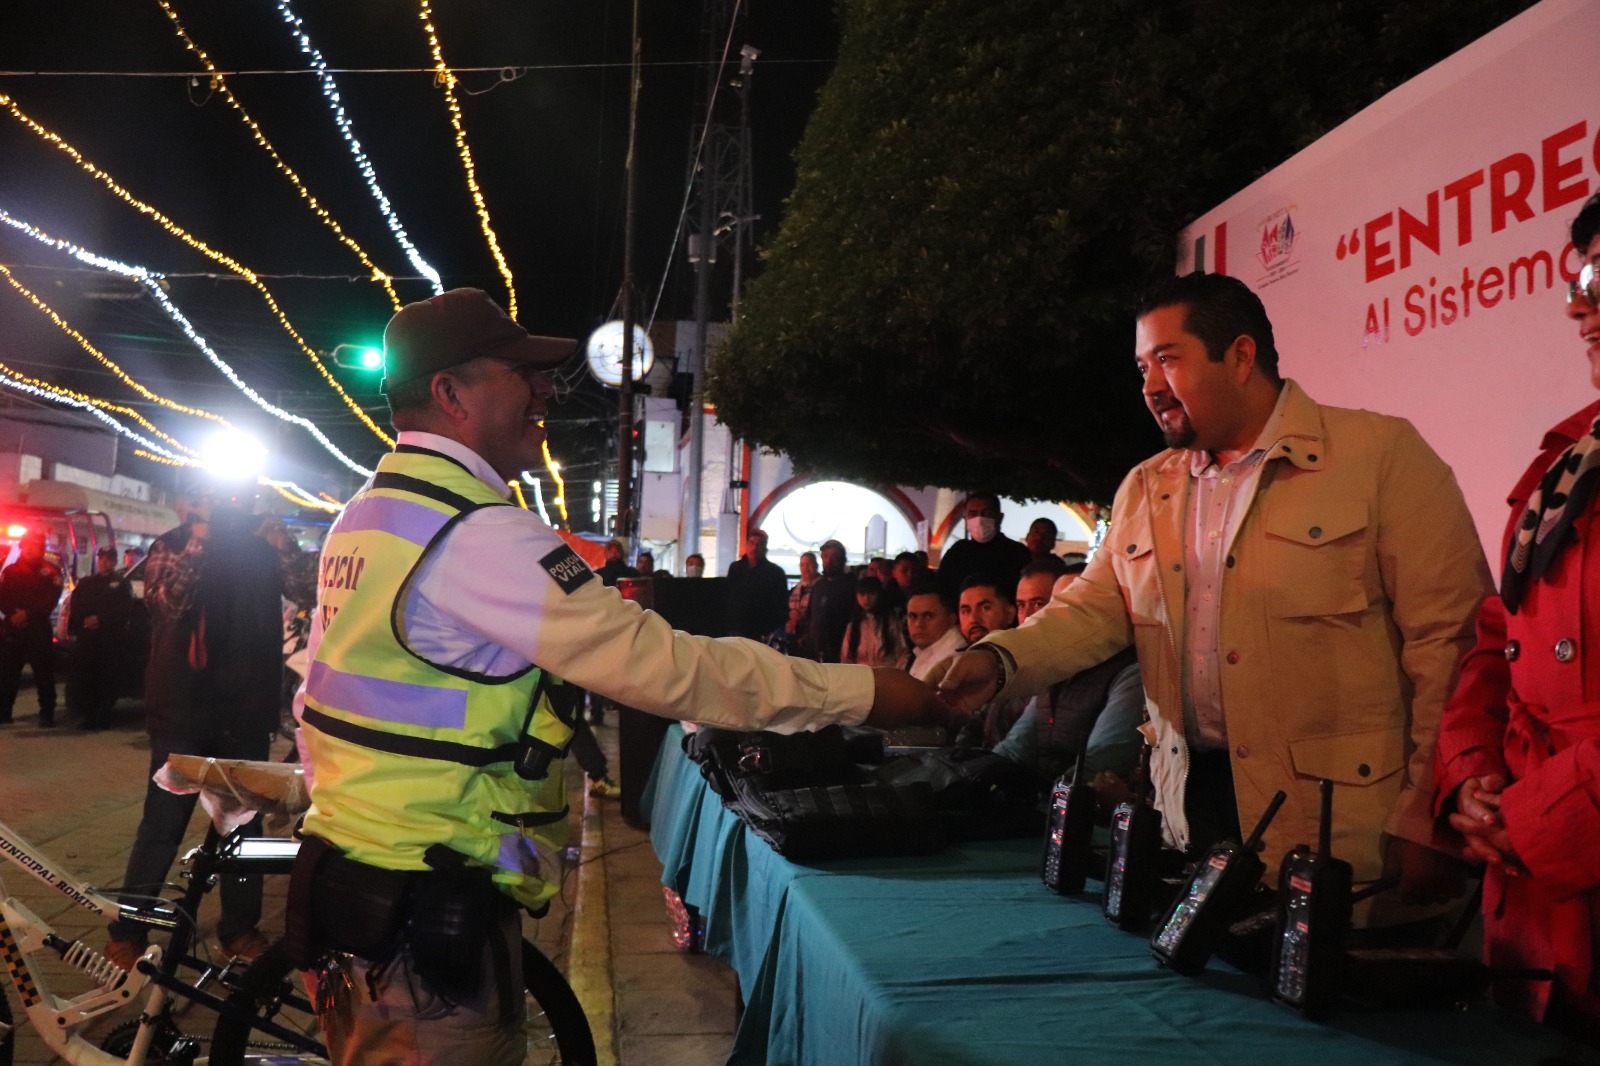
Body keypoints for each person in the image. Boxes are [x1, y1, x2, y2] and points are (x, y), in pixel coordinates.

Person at [287, 288, 947, 1065]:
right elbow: (663, 666)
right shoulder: (476, 535)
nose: (547, 390)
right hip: (426, 909)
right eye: (522, 371)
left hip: (360, 884)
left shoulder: (368, 515)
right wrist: (864, 692)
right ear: (450, 393)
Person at [932, 272, 1491, 927]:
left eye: (1168, 360)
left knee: (1338, 1016)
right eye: (1142, 366)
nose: (1148, 387)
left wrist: (1427, 808)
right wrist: (998, 661)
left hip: (1337, 832)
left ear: (1242, 357)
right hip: (1187, 816)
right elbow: (1090, 612)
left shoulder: (1379, 457)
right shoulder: (1146, 488)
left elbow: (1452, 642)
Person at [1433, 192, 1600, 1032]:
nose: (1581, 305)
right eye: (1579, 278)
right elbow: (1499, 634)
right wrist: (1468, 773)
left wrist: (1537, 821)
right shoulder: (1565, 462)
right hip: (1532, 922)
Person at [106, 498, 285, 969]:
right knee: (162, 826)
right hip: (183, 711)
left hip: (245, 712)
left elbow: (312, 591)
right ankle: (128, 929)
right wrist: (201, 541)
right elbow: (166, 603)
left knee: (243, 829)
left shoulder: (263, 550)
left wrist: (282, 541)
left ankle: (238, 928)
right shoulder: (174, 545)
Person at [992, 564, 1144, 785]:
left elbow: (1098, 765)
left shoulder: (1129, 673)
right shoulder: (1056, 666)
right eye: (1054, 607)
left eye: (1074, 610)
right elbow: (1016, 747)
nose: (1055, 618)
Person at [66, 546, 134, 730]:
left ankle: (103, 717)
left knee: (107, 680)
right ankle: (89, 716)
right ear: (98, 560)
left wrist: (100, 620)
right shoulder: (87, 582)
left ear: (115, 561)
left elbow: (124, 609)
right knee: (87, 678)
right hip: (88, 639)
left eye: (109, 559)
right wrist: (85, 620)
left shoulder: (122, 584)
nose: (105, 562)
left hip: (109, 639)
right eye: (102, 558)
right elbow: (76, 604)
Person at [0, 531, 63, 727]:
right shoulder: (10, 571)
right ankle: (4, 712)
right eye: (28, 546)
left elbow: (50, 600)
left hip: (38, 628)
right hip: (13, 627)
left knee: (43, 673)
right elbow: (2, 597)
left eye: (36, 546)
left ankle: (46, 713)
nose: (32, 550)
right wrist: (13, 614)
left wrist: (28, 614)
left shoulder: (51, 571)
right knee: (8, 673)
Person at [936, 492, 1030, 600]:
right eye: (973, 513)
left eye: (987, 513)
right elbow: (942, 590)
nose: (979, 519)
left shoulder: (1017, 553)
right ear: (965, 518)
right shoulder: (957, 553)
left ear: (999, 518)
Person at [726, 527, 788, 640]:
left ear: (765, 549)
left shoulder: (775, 573)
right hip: (738, 629)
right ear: (747, 545)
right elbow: (729, 597)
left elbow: (782, 604)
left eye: (759, 544)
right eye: (752, 543)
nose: (755, 547)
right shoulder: (735, 569)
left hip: (764, 632)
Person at [839, 574, 909, 668]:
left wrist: (894, 678)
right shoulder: (854, 626)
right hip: (861, 679)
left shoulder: (891, 623)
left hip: (887, 678)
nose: (866, 598)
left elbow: (903, 654)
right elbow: (846, 658)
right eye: (862, 594)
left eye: (871, 593)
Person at [805, 539, 855, 665]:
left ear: (842, 559)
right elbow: (810, 617)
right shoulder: (818, 586)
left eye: (834, 557)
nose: (829, 561)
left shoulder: (851, 586)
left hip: (839, 654)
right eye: (826, 557)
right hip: (816, 653)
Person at [904, 580, 965, 683]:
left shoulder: (953, 658)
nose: (918, 624)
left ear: (952, 618)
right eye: (913, 616)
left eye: (928, 616)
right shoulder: (926, 650)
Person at [785, 550, 819, 657]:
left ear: (816, 566)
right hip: (794, 639)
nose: (806, 568)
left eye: (809, 564)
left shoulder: (821, 587)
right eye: (802, 565)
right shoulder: (795, 590)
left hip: (812, 640)